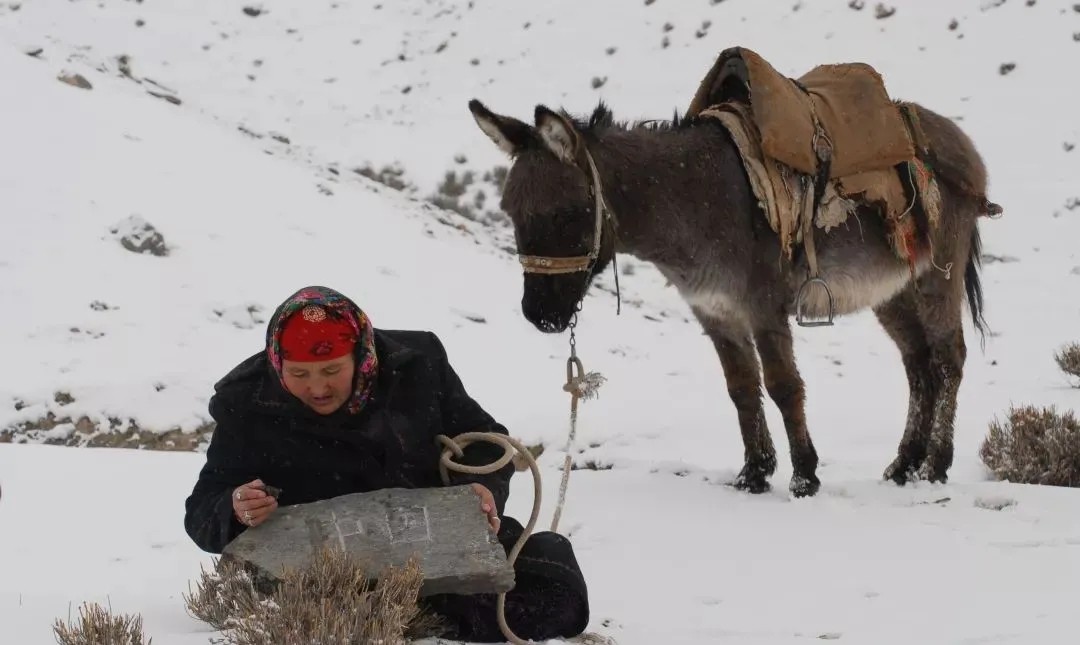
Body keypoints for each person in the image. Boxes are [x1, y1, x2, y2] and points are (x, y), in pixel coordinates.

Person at [183, 285, 590, 642]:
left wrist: (483, 491)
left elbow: (485, 441)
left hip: (431, 548)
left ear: (361, 355)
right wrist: (236, 507)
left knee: (558, 588)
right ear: (277, 365)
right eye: (299, 374)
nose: (318, 387)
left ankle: (414, 617)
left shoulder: (417, 366)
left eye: (331, 370)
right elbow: (202, 511)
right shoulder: (247, 405)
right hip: (313, 574)